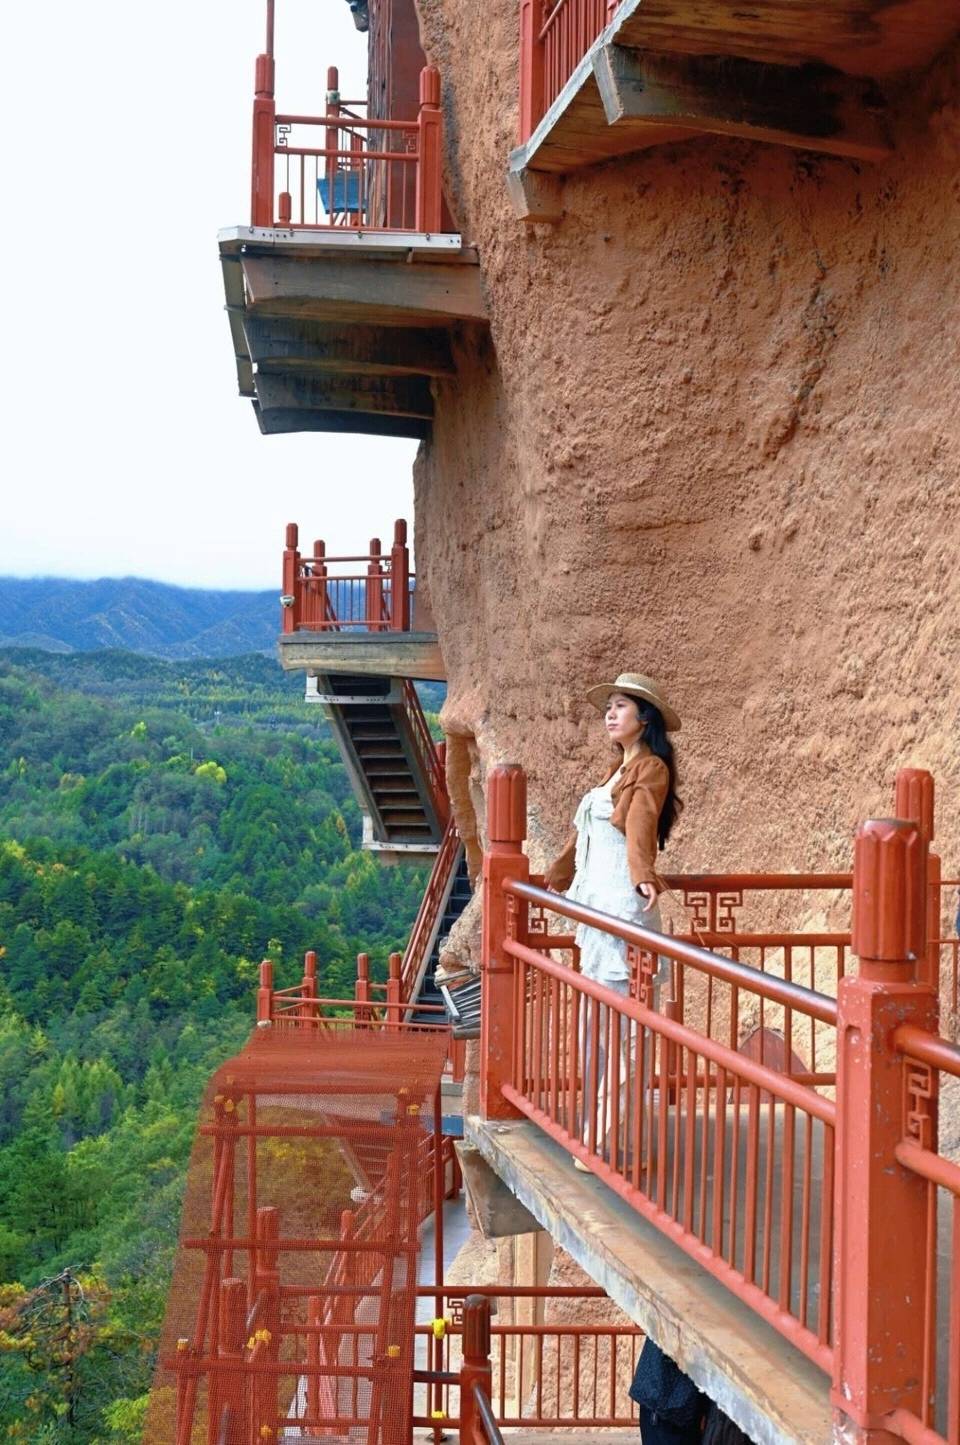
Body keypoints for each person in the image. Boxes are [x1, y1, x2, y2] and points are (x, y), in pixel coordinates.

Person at [545, 672, 682, 1169]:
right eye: (609, 706)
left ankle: (596, 1140)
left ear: (644, 718)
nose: (610, 713)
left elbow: (641, 821)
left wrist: (644, 874)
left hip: (624, 908)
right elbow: (584, 836)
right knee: (600, 1027)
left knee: (624, 1032)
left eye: (621, 706)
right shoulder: (615, 769)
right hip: (597, 909)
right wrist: (558, 875)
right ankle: (612, 1140)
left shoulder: (650, 768)